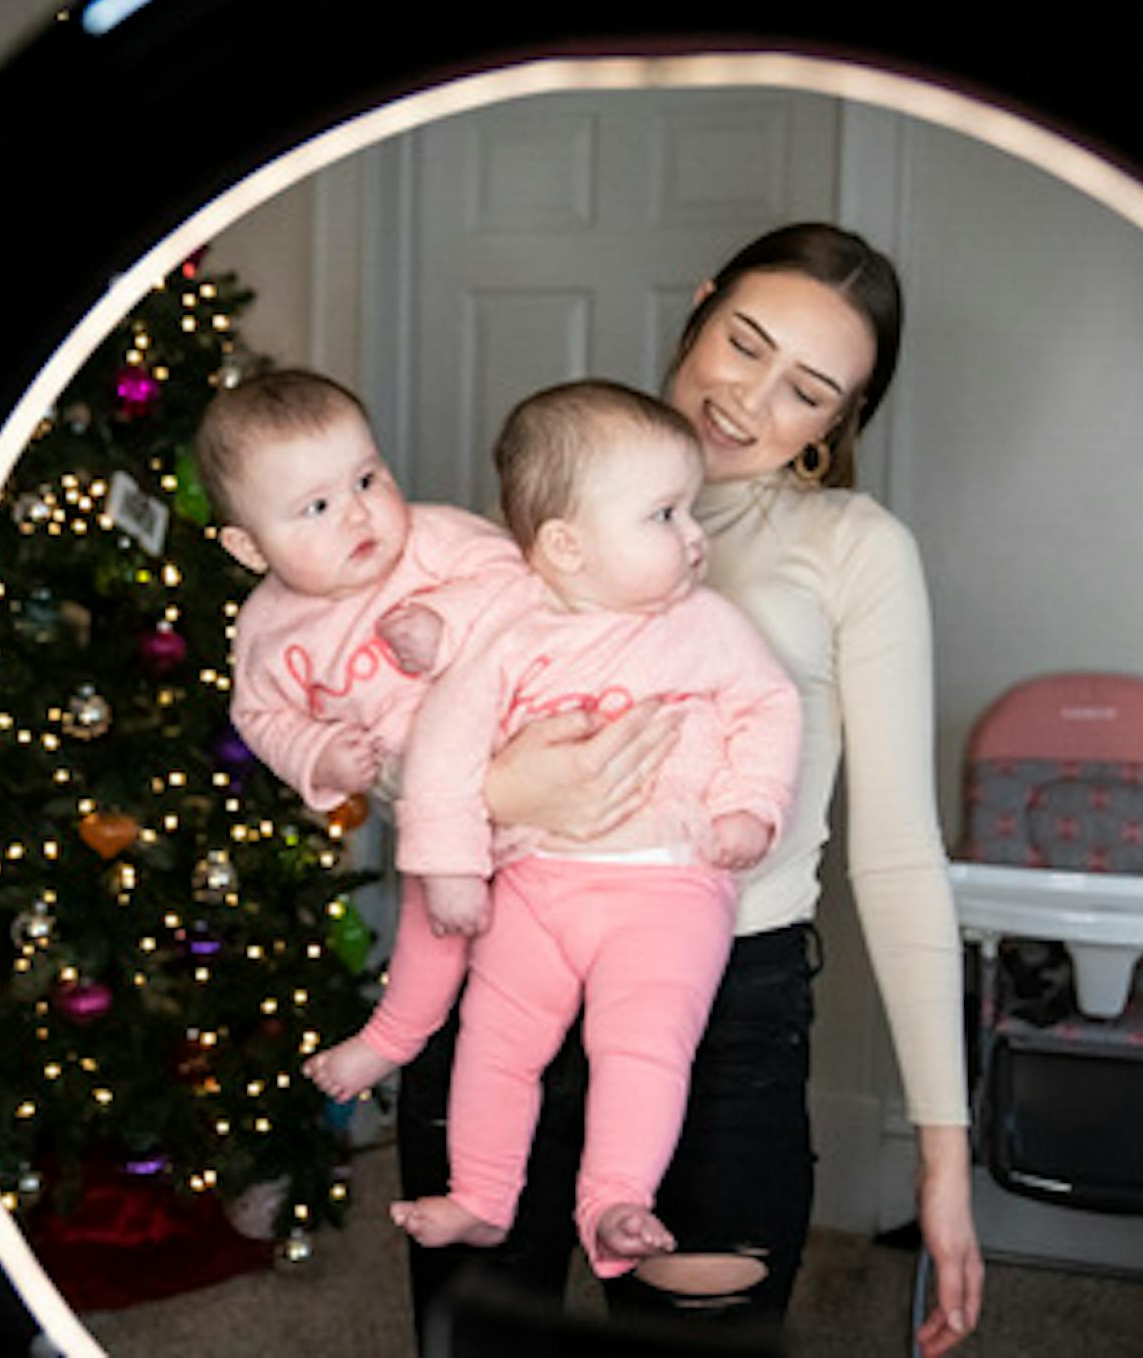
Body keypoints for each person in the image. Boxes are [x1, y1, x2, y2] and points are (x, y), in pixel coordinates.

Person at [397, 222, 985, 1357]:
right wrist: (509, 786)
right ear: (702, 307)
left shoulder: (855, 548)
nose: (749, 400)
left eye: (807, 389)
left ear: (838, 422)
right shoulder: (548, 502)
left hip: (721, 1010)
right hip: (502, 974)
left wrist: (942, 1156)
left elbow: (900, 858)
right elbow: (405, 743)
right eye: (742, 342)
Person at [384, 380, 802, 1280]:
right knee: (496, 1040)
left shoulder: (705, 626)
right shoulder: (504, 636)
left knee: (641, 1041)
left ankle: (616, 1196)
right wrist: (451, 866)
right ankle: (482, 1196)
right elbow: (444, 756)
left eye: (690, 510)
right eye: (663, 514)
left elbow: (767, 704)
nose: (697, 537)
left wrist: (749, 802)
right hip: (534, 885)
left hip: (667, 886)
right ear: (566, 546)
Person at [197, 368, 531, 1098]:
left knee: (535, 960)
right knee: (431, 931)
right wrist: (318, 752)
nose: (356, 516)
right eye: (315, 506)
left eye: (367, 480)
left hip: (530, 773)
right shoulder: (267, 630)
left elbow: (520, 580)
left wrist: (447, 624)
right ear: (250, 549)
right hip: (436, 822)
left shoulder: (435, 539)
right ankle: (392, 1037)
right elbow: (260, 716)